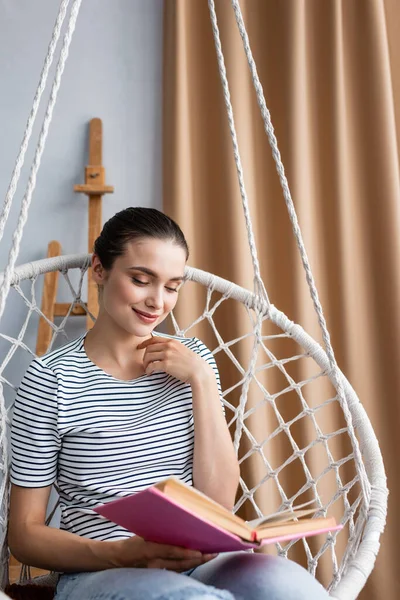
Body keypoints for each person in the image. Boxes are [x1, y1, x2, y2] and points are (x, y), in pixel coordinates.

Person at [9, 207, 330, 599]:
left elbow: (218, 503)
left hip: (202, 560)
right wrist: (120, 553)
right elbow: (23, 535)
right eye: (141, 280)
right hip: (100, 571)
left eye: (172, 286)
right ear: (99, 269)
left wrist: (201, 381)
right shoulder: (51, 379)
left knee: (289, 587)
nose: (156, 302)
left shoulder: (194, 360)